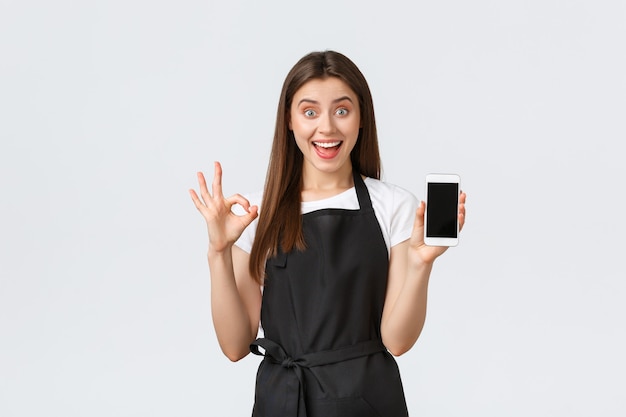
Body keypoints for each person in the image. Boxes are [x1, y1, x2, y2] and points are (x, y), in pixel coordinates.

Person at [189, 50, 467, 417]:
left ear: (361, 117)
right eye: (309, 112)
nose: (327, 128)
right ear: (288, 120)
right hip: (283, 403)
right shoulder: (256, 214)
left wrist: (420, 265)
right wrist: (218, 252)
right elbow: (235, 346)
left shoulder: (394, 205)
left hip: (367, 403)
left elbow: (397, 342)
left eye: (341, 110)